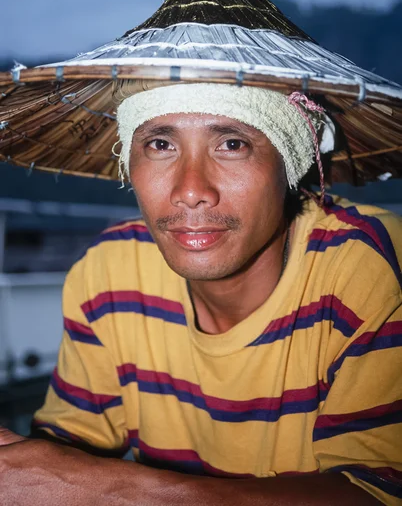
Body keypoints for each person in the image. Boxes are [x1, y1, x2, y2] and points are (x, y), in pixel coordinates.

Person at [0, 81, 401, 505]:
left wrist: (110, 490)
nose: (190, 191)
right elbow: (62, 460)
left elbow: (379, 492)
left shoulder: (364, 266)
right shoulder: (112, 271)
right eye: (159, 144)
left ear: (291, 161)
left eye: (231, 143)